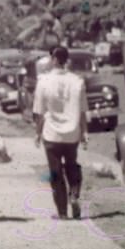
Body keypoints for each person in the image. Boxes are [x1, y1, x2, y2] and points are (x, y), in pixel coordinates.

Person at [33, 45, 89, 220]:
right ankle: (74, 194)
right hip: (72, 133)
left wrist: (37, 133)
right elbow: (82, 111)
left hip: (51, 135)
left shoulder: (43, 81)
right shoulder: (78, 81)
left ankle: (63, 213)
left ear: (55, 59)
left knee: (56, 172)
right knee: (72, 165)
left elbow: (39, 113)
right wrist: (84, 132)